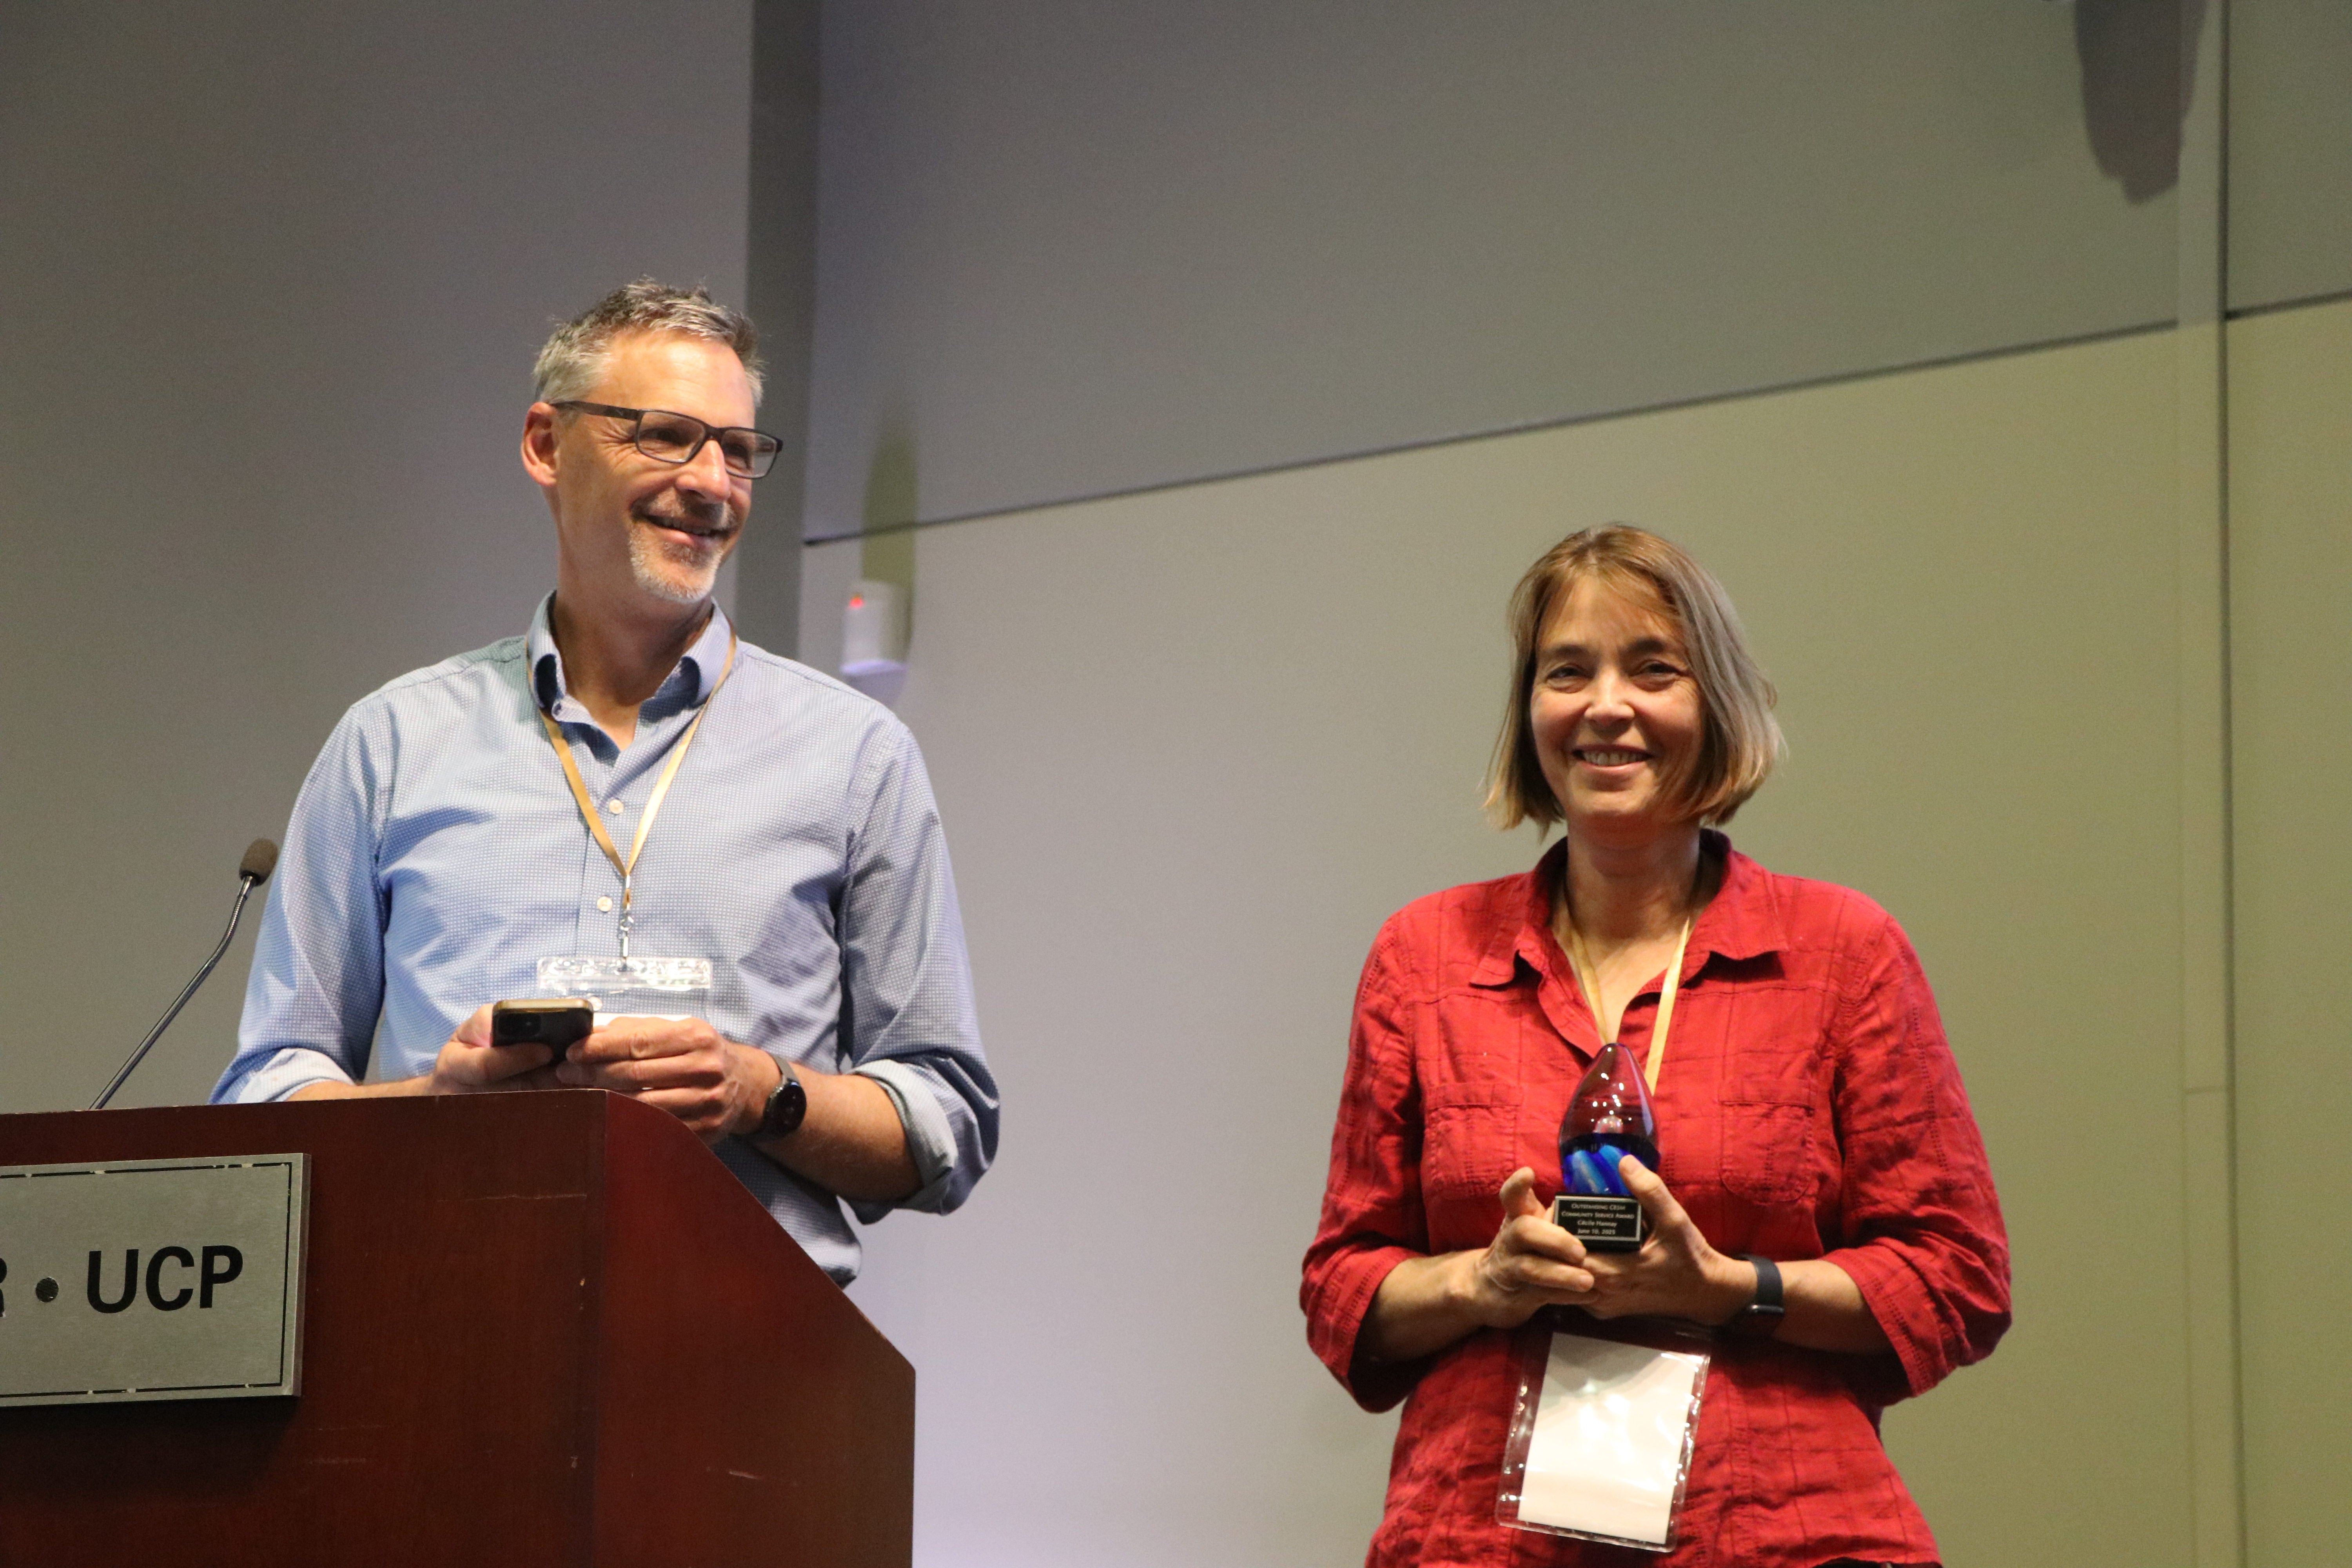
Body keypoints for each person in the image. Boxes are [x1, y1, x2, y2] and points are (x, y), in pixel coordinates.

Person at [213, 279, 996, 1283]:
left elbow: (945, 1121)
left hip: (748, 1345)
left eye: (738, 450)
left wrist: (760, 1090)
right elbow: (264, 1098)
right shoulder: (394, 743)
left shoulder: (855, 755)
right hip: (441, 1328)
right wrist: (436, 1107)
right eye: (667, 436)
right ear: (547, 444)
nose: (712, 482)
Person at [1300, 526, 2009, 1565]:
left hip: (1781, 1537)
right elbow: (1342, 1287)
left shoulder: (1841, 950)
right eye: (1567, 672)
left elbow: (1956, 1277)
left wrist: (1727, 1287)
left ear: (1714, 703)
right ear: (1529, 711)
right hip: (1479, 1539)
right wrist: (1481, 1282)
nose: (1605, 705)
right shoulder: (1426, 955)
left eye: (1652, 669)